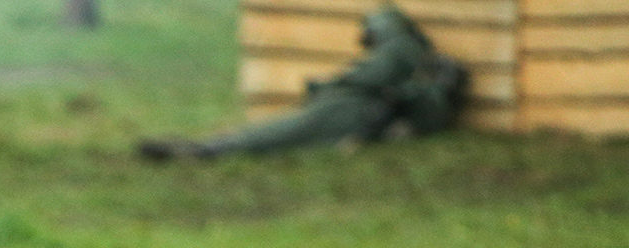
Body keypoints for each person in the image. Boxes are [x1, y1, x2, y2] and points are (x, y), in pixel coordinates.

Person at [139, 5, 466, 161]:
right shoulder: (414, 62)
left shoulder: (401, 51)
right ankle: (206, 148)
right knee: (279, 131)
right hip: (353, 110)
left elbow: (369, 82)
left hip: (352, 111)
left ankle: (205, 151)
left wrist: (329, 87)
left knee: (279, 133)